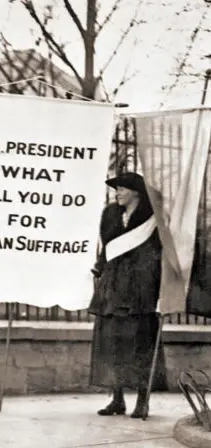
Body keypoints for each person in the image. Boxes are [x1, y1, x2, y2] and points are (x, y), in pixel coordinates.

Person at [89, 172, 166, 419]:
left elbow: (160, 252)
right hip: (113, 288)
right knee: (111, 343)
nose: (117, 193)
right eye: (116, 189)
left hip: (140, 289)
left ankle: (142, 401)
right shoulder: (109, 214)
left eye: (122, 189)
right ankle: (117, 399)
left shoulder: (153, 217)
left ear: (136, 192)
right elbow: (106, 247)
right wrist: (100, 268)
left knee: (140, 343)